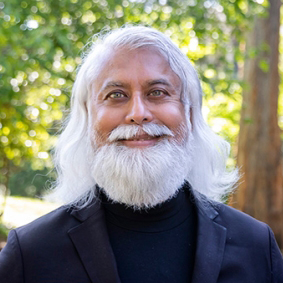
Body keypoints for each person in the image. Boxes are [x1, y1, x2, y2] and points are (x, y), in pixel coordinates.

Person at [0, 25, 282, 283]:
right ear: (87, 118)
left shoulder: (257, 247)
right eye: (116, 95)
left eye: (157, 92)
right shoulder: (30, 254)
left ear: (190, 113)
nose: (137, 114)